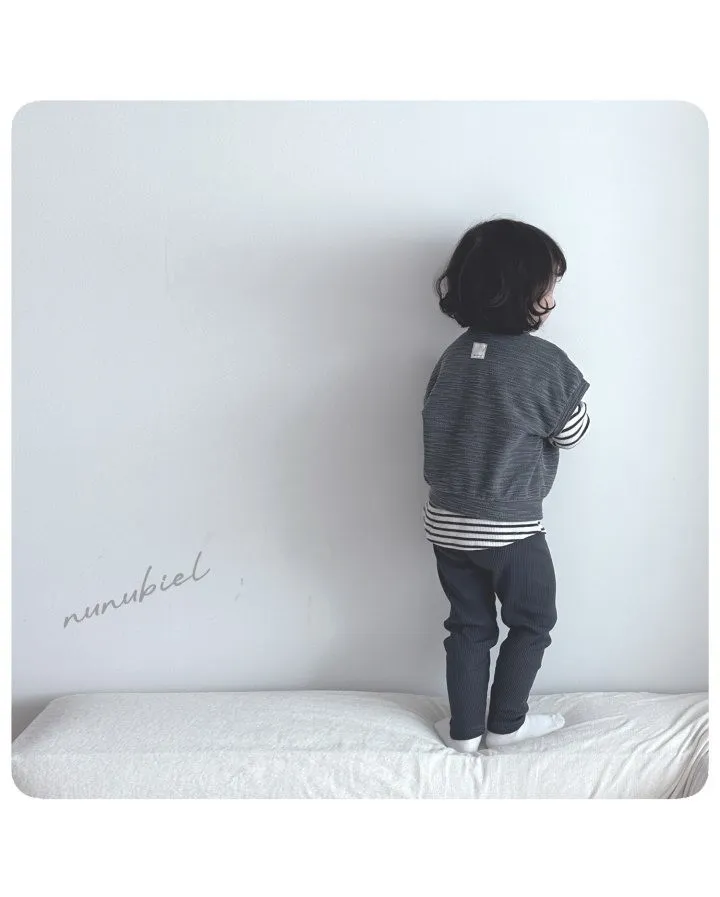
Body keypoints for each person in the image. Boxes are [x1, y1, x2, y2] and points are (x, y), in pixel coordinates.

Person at [422, 218, 590, 752]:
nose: (553, 296)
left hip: (447, 522)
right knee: (533, 621)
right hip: (509, 526)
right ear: (524, 294)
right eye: (549, 285)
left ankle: (464, 732)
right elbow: (572, 433)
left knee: (468, 626)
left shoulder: (453, 357)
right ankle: (506, 724)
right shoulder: (544, 364)